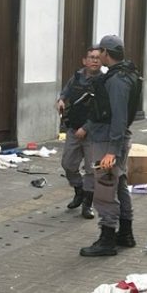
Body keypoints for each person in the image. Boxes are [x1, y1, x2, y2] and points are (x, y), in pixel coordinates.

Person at [78, 35, 142, 257]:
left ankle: (107, 239)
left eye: (100, 52)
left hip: (108, 141)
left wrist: (111, 151)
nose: (99, 55)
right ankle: (125, 233)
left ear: (106, 52)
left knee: (105, 187)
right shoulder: (126, 74)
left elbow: (118, 116)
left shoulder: (117, 80)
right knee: (120, 183)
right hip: (114, 138)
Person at [56, 46, 102, 219]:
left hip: (93, 134)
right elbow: (65, 93)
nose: (95, 60)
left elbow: (102, 111)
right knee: (68, 164)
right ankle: (79, 190)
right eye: (91, 57)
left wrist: (87, 128)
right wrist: (60, 100)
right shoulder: (76, 77)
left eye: (98, 57)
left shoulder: (104, 81)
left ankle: (87, 205)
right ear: (85, 60)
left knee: (92, 170)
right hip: (74, 130)